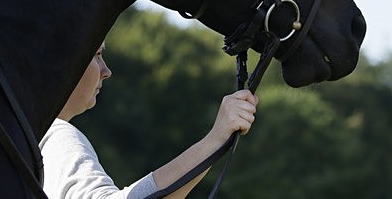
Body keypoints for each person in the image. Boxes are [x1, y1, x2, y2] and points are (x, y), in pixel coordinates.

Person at [39, 43, 259, 199]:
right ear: (66, 61)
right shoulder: (55, 134)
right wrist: (216, 138)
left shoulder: (23, 136)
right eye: (97, 54)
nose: (106, 71)